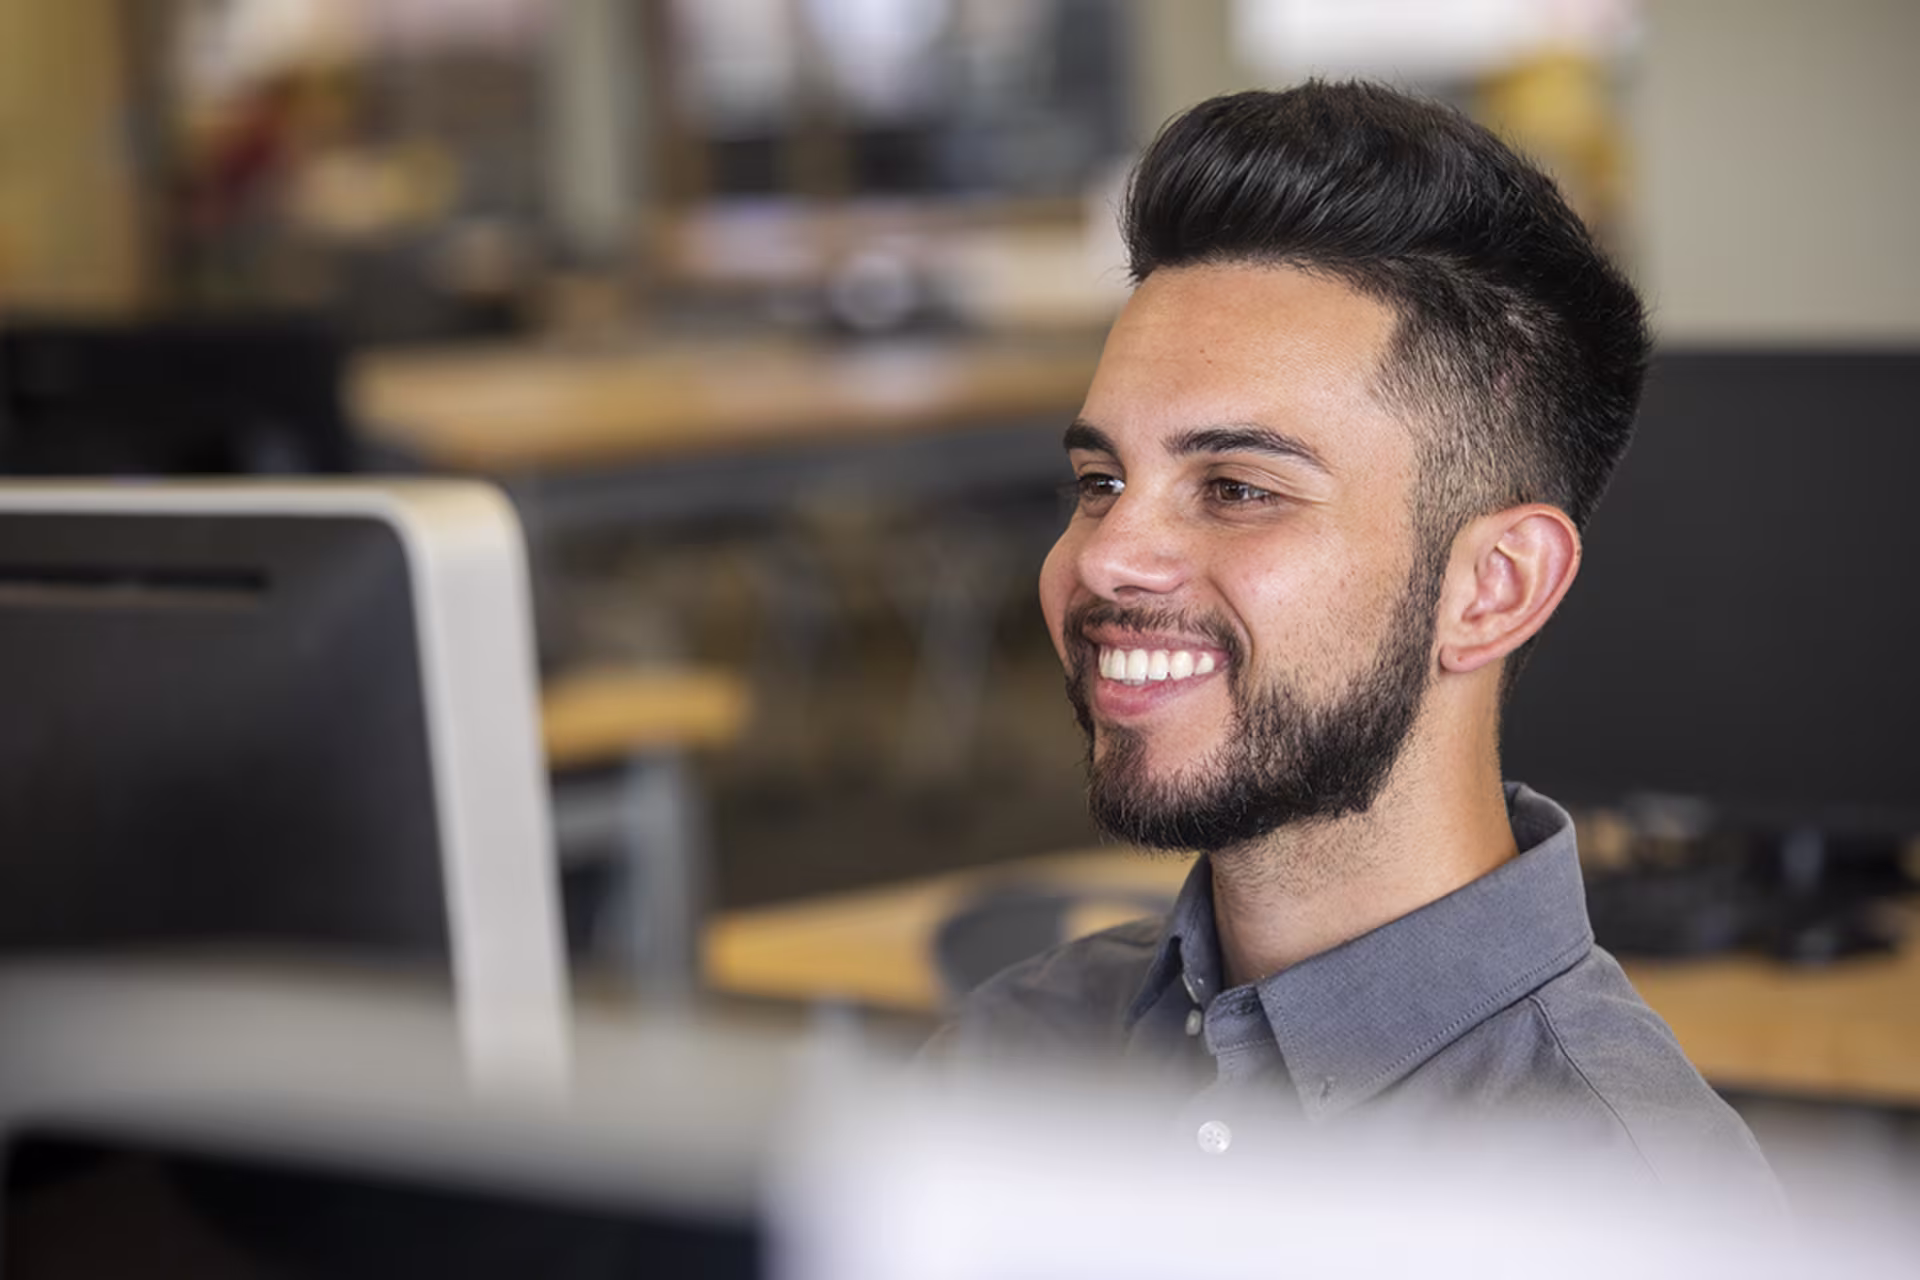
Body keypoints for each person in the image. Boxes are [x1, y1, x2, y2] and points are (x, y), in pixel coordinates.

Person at [928, 81, 1777, 1193]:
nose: (1101, 556)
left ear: (1494, 586)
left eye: (1235, 487)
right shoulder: (1008, 1058)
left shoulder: (1631, 1209)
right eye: (1099, 480)